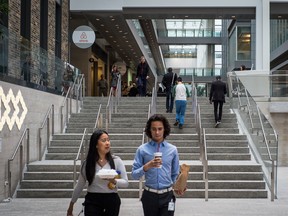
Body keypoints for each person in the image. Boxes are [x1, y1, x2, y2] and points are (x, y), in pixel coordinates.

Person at [131, 114, 184, 216]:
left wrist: (179, 185)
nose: (157, 132)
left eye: (160, 129)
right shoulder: (142, 149)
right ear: (149, 130)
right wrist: (147, 166)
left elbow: (175, 174)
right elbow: (134, 175)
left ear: (165, 129)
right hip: (149, 195)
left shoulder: (172, 150)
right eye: (154, 129)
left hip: (167, 195)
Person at [67, 130, 128, 216]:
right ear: (96, 144)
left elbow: (126, 182)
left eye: (108, 140)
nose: (107, 143)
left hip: (112, 200)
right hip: (92, 200)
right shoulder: (87, 163)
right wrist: (71, 206)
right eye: (103, 140)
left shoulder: (116, 161)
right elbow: (79, 185)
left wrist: (114, 180)